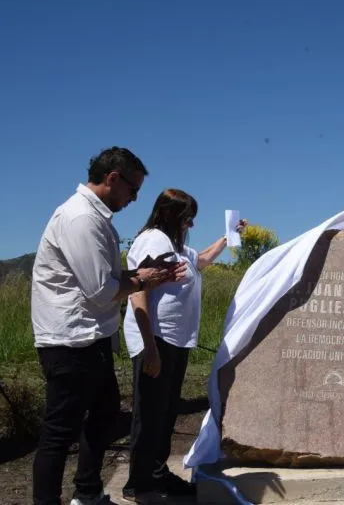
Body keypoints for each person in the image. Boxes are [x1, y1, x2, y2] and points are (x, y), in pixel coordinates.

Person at [31, 147, 186, 505]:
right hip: (70, 341)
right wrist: (144, 281)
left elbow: (106, 278)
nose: (134, 199)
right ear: (113, 179)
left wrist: (140, 274)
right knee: (59, 432)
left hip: (92, 338)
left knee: (104, 416)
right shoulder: (80, 219)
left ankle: (87, 492)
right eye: (133, 190)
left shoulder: (96, 219)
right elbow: (101, 291)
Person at [121, 189, 246, 502]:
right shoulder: (154, 240)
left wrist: (228, 236)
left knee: (165, 412)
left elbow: (200, 260)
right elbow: (138, 291)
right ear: (170, 215)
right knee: (150, 413)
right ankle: (139, 484)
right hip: (157, 339)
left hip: (175, 340)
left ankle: (157, 475)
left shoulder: (176, 246)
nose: (190, 224)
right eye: (186, 218)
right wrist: (149, 348)